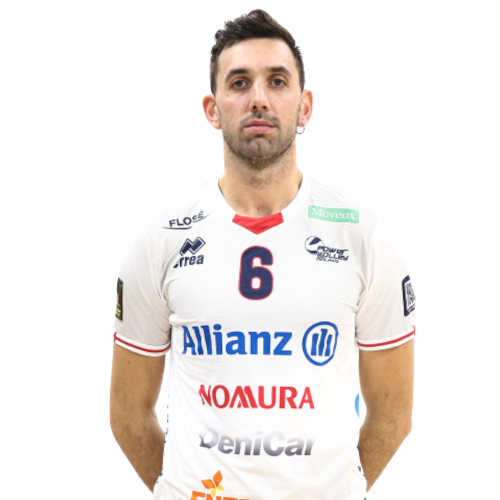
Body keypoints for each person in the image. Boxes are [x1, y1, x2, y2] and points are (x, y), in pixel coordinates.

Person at [109, 8, 416, 500]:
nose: (258, 98)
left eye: (277, 81)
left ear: (305, 106)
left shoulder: (363, 231)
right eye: (239, 83)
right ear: (212, 109)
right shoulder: (161, 233)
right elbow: (127, 413)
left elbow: (394, 415)